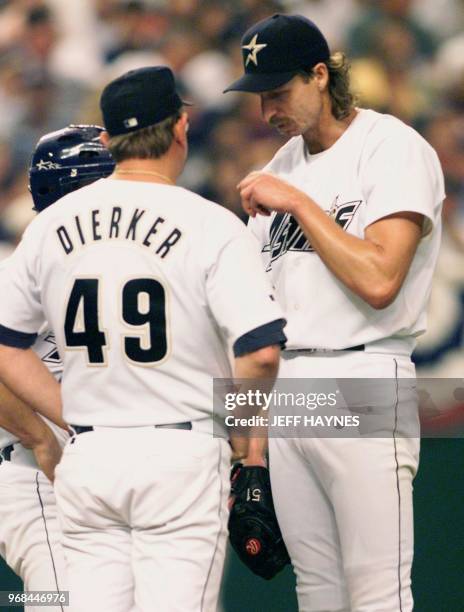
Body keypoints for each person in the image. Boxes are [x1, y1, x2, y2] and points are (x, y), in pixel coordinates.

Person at [0, 66, 286, 612]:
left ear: (109, 139)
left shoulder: (49, 227)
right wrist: (243, 441)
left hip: (88, 454)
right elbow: (261, 352)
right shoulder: (210, 222)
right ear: (181, 126)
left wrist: (72, 415)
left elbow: (4, 344)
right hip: (176, 449)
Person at [224, 13, 444, 612]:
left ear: (320, 75)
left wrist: (298, 202)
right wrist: (250, 444)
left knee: (378, 593)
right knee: (317, 593)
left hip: (364, 372)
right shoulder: (276, 171)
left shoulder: (391, 147)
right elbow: (254, 324)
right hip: (289, 385)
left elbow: (379, 279)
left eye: (279, 91)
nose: (268, 110)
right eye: (259, 96)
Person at [0, 124, 115, 611]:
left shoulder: (123, 264)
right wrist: (41, 438)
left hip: (110, 472)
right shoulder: (22, 264)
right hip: (36, 476)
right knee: (58, 600)